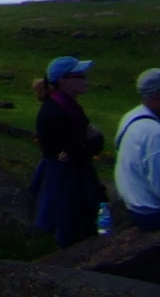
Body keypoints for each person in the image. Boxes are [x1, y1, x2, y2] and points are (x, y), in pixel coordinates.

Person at [31, 56, 105, 247]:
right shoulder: (55, 111)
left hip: (71, 176)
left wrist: (88, 145)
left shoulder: (68, 106)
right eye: (79, 76)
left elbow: (85, 146)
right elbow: (80, 148)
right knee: (72, 231)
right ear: (63, 81)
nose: (85, 80)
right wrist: (91, 143)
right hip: (66, 181)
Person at [114, 67, 160, 233]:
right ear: (156, 97)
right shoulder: (156, 135)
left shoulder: (132, 116)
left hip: (133, 204)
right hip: (155, 215)